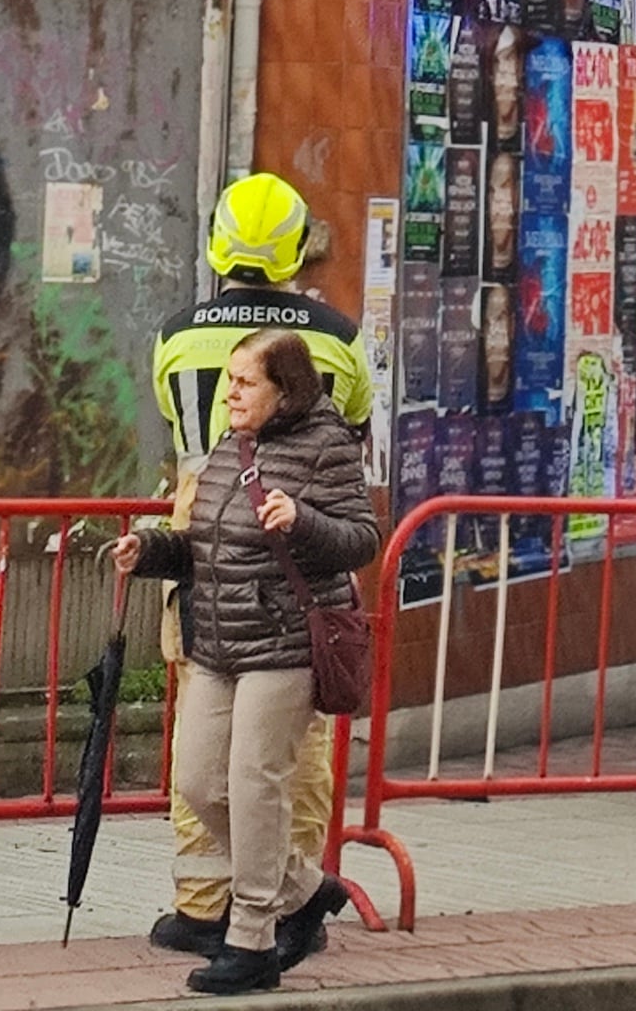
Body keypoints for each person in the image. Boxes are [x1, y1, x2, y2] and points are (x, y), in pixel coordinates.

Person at [148, 179, 369, 971]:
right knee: (278, 758)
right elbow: (356, 430)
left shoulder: (176, 336)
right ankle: (296, 895)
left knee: (213, 753)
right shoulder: (336, 340)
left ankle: (218, 911)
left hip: (202, 547)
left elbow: (178, 437)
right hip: (282, 569)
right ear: (296, 245)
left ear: (216, 240)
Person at [117, 332, 378, 998]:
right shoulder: (232, 446)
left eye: (244, 382)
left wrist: (303, 521)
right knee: (202, 783)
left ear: (285, 390)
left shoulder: (327, 447)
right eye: (229, 380)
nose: (229, 393)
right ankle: (305, 887)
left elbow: (361, 541)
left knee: (256, 783)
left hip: (286, 641)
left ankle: (254, 940)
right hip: (221, 643)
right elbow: (208, 547)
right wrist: (149, 551)